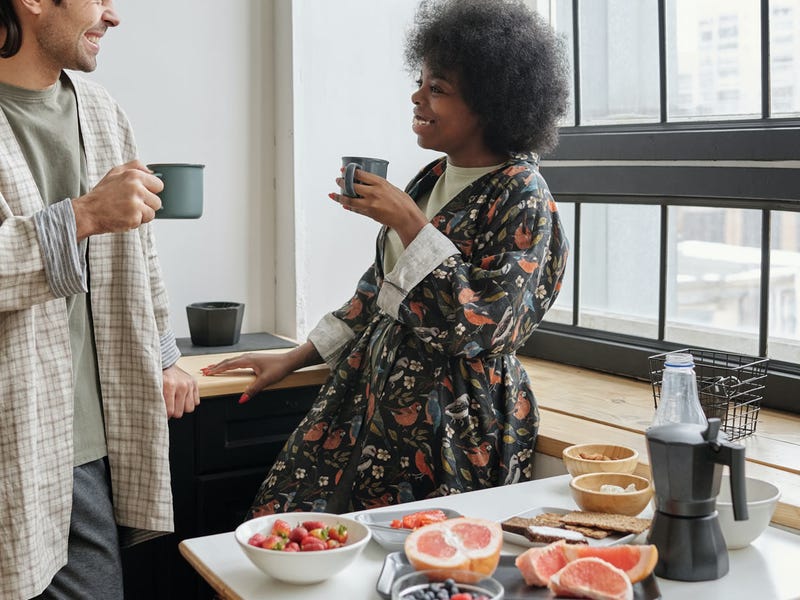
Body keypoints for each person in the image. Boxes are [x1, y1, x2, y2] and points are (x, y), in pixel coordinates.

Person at [204, 0, 570, 515]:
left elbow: (489, 326)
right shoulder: (432, 178)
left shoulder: (521, 193)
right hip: (369, 396)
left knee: (412, 552)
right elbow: (378, 294)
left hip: (454, 419)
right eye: (420, 82)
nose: (417, 96)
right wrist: (295, 357)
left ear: (491, 103)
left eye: (437, 88)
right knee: (290, 524)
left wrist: (409, 222)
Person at [0, 1, 199, 598]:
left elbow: (141, 255)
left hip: (82, 443)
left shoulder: (103, 112)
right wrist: (83, 216)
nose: (113, 15)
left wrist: (165, 354)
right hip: (13, 433)